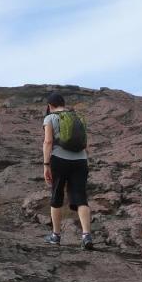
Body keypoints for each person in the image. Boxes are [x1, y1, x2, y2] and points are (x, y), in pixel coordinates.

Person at [42, 92, 93, 250]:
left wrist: (46, 164)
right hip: (80, 160)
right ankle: (86, 235)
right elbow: (85, 143)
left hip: (59, 159)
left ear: (50, 106)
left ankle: (56, 236)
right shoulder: (77, 117)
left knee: (57, 195)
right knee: (80, 197)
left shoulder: (50, 118)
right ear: (63, 103)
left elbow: (48, 141)